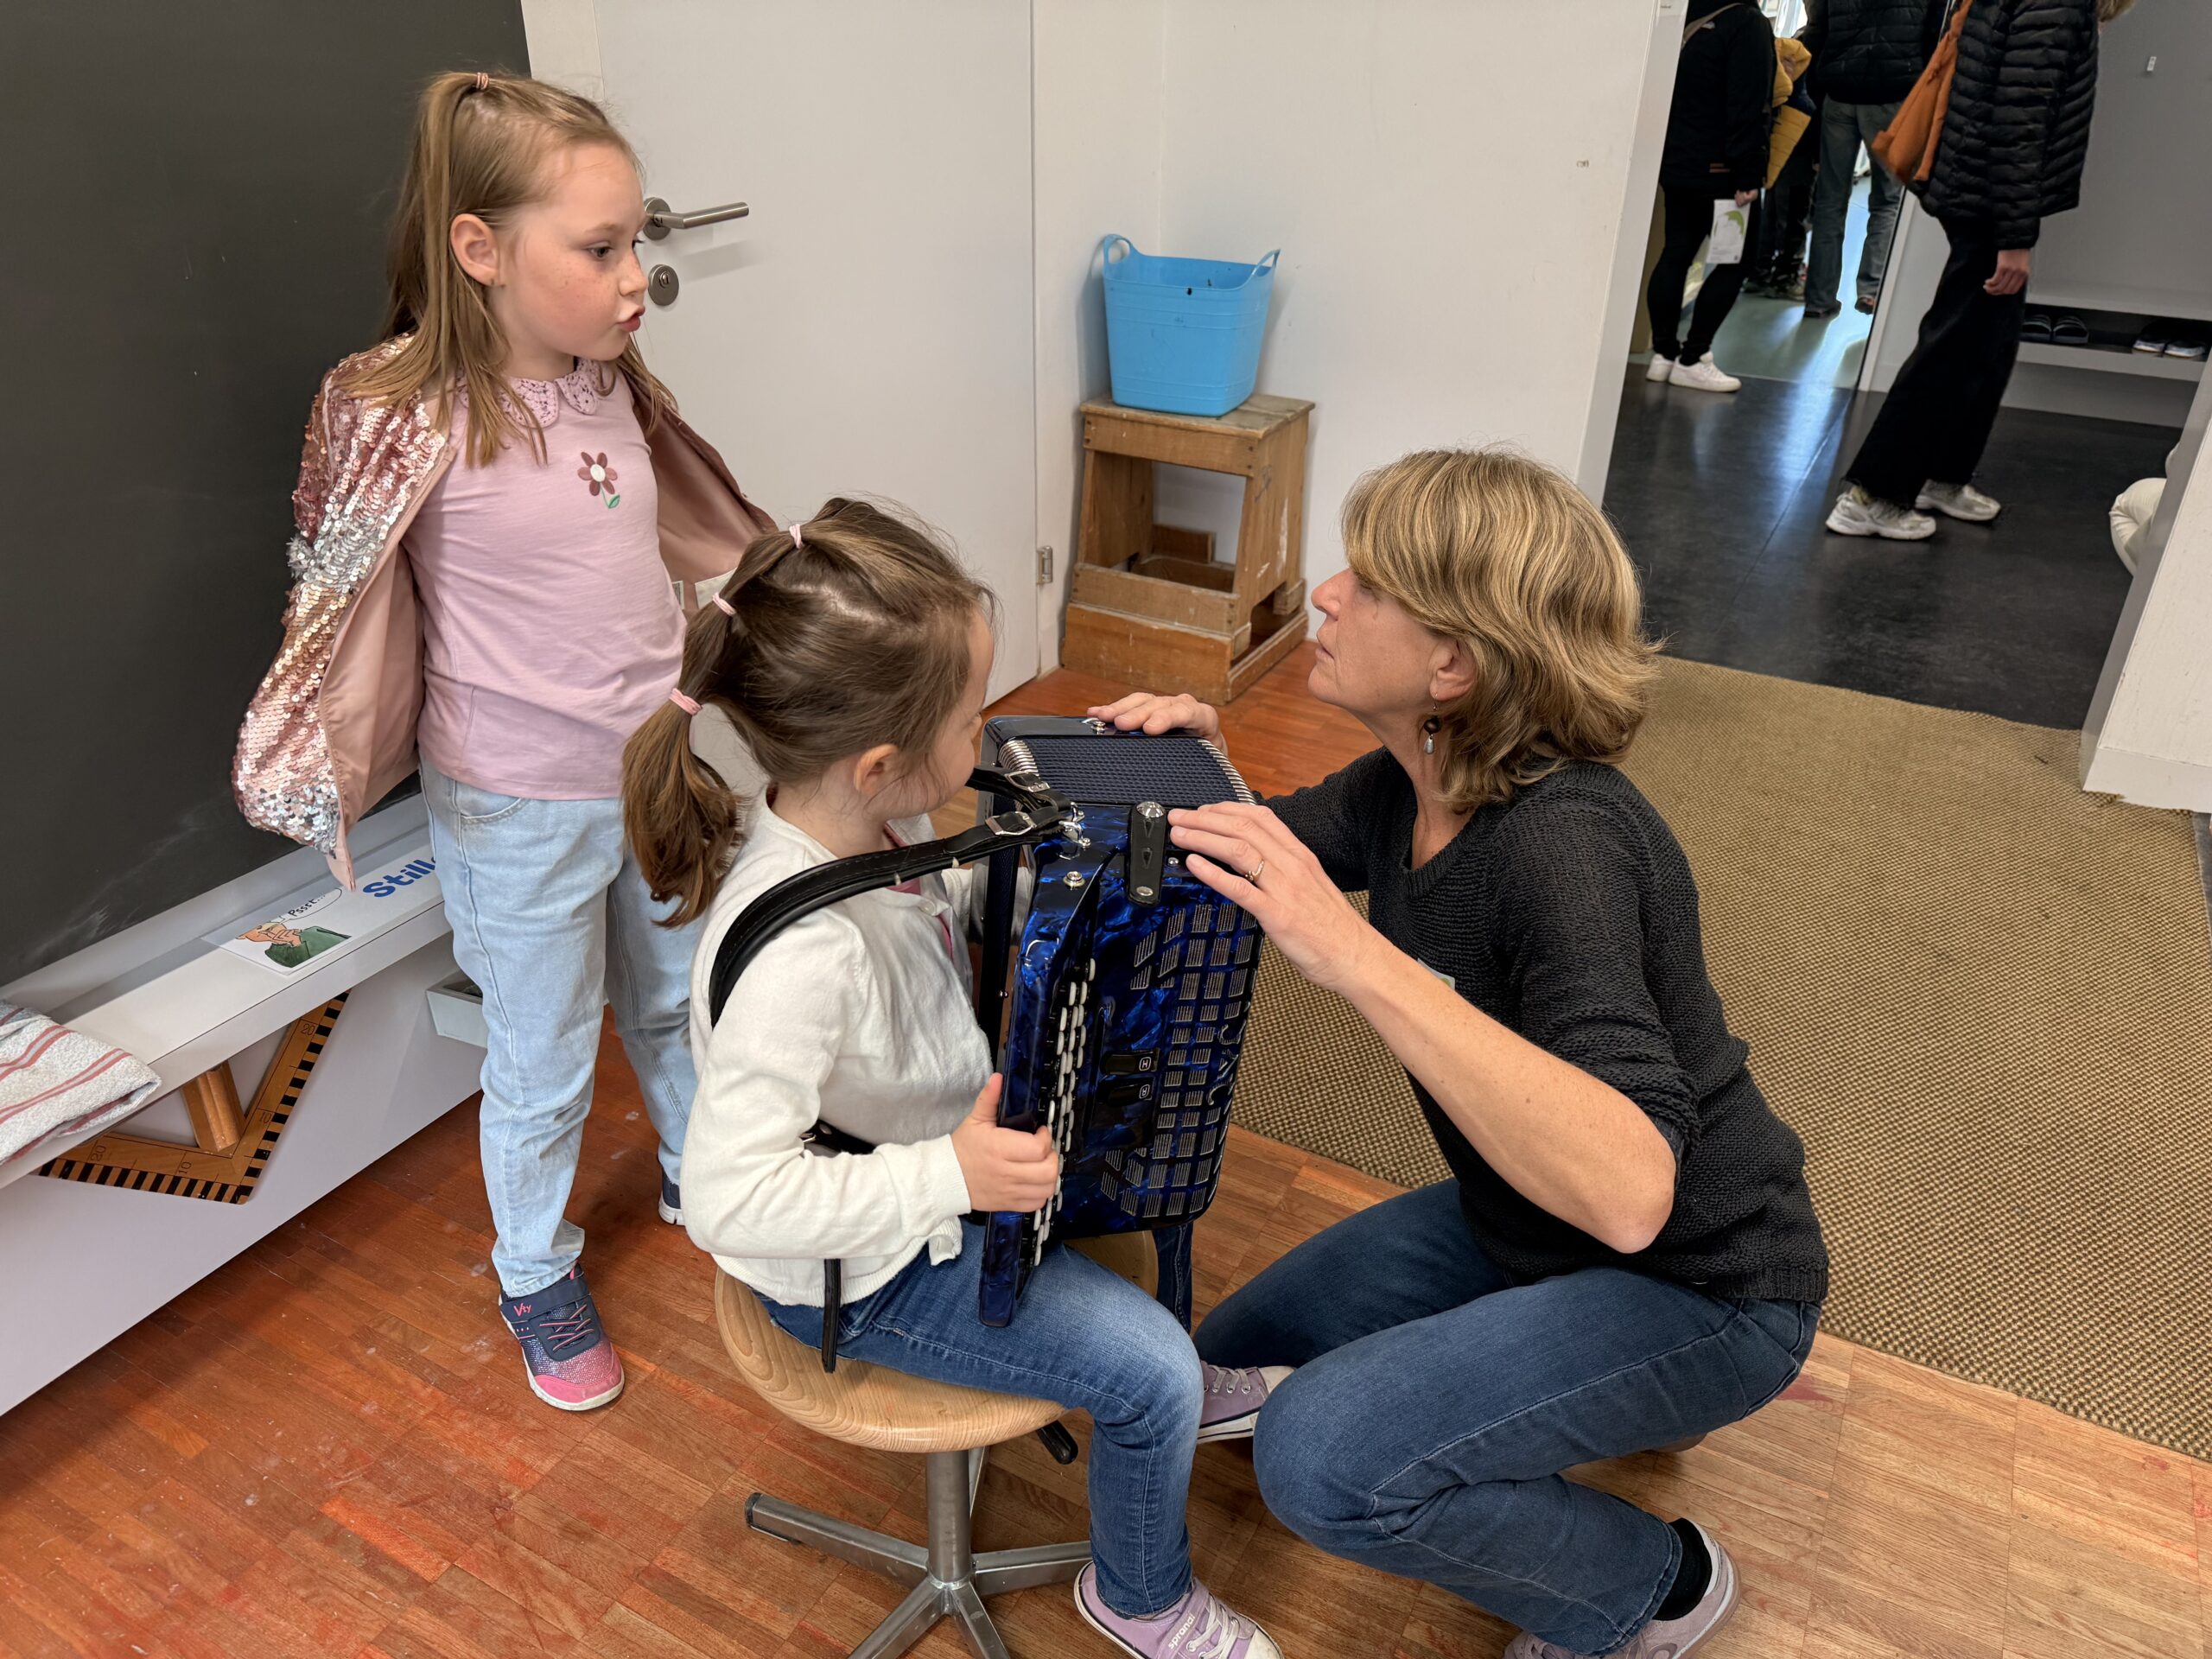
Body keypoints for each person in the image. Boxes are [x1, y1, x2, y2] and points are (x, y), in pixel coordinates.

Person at [1093, 449, 1828, 1659]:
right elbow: (1256, 857)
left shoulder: (1565, 850)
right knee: (1225, 1362)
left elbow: (1632, 1194)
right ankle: (1607, 1398)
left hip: (1704, 1278)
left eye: (1367, 584)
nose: (1325, 594)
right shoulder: (1408, 784)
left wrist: (1356, 956)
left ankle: (1655, 1589)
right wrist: (1198, 771)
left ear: (1452, 667)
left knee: (1318, 1459)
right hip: (1519, 1218)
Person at [622, 502, 1288, 1659]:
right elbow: (728, 1200)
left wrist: (1057, 871)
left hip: (939, 1165)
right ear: (880, 764)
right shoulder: (804, 959)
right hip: (865, 1271)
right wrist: (949, 1176)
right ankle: (1139, 1597)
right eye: (970, 712)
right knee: (1150, 1379)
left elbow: (933, 918)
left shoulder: (869, 830)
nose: (987, 728)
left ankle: (1163, 1363)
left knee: (1132, 1134)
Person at [232, 72, 774, 1410]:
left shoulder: (611, 379)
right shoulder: (395, 408)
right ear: (479, 248)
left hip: (652, 773)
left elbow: (663, 539)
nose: (636, 277)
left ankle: (705, 1181)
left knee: (674, 1000)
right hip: (517, 808)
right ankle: (533, 1269)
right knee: (543, 1057)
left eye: (637, 240)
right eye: (599, 248)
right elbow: (330, 590)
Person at [1827, 0, 2131, 540]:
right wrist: (2015, 237)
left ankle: (1941, 476)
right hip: (1989, 202)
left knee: (1987, 349)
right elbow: (2020, 118)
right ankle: (1872, 496)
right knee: (1951, 351)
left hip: (1982, 191)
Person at [1645, 2, 1777, 393]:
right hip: (1723, 171)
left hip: (1678, 161)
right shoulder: (1747, 24)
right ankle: (1693, 357)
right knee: (1735, 261)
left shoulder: (1685, 15)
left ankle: (1663, 355)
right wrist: (1749, 174)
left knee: (1675, 254)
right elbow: (1747, 105)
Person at [1798, 0, 1942, 318]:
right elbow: (1934, 36)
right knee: (1887, 200)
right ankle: (1871, 290)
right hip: (1891, 95)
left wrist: (1817, 91)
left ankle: (1819, 301)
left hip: (1839, 94)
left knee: (1829, 201)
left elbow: (1817, 32)